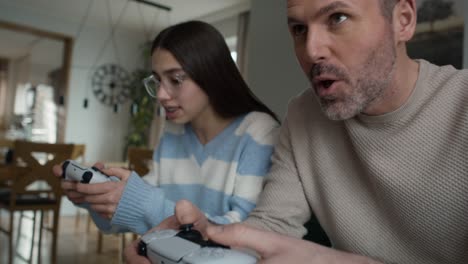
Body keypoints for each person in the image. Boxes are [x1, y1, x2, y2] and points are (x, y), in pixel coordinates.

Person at [124, 0, 468, 263]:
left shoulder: (462, 105)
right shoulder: (303, 116)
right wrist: (209, 238)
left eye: (338, 18)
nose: (312, 51)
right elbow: (272, 225)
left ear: (402, 20)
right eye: (299, 29)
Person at [53, 20, 280, 235]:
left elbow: (247, 233)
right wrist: (97, 199)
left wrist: (141, 202)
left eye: (176, 79)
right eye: (158, 81)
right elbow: (139, 220)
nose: (161, 95)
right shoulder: (174, 132)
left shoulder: (258, 131)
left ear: (211, 73)